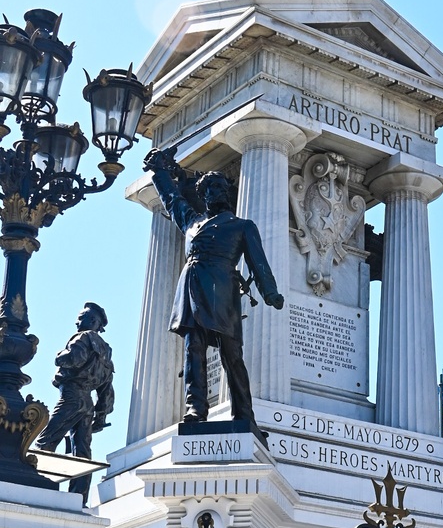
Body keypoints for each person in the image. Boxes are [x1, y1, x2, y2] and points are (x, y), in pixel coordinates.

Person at [142, 148, 284, 431]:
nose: (215, 192)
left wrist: (270, 292)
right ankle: (196, 408)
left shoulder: (241, 226)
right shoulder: (192, 222)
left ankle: (244, 414)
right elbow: (172, 199)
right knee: (192, 349)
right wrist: (158, 171)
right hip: (192, 288)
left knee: (231, 355)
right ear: (203, 194)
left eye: (220, 187)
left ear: (227, 193)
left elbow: (259, 262)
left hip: (223, 292)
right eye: (210, 188)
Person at [35, 302, 114, 499]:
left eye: (82, 317)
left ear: (93, 321)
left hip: (71, 396)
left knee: (45, 441)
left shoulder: (83, 338)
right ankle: (79, 496)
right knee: (82, 451)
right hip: (87, 403)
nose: (77, 321)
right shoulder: (106, 351)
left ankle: (38, 484)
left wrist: (59, 356)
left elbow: (73, 359)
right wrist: (101, 416)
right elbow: (107, 391)